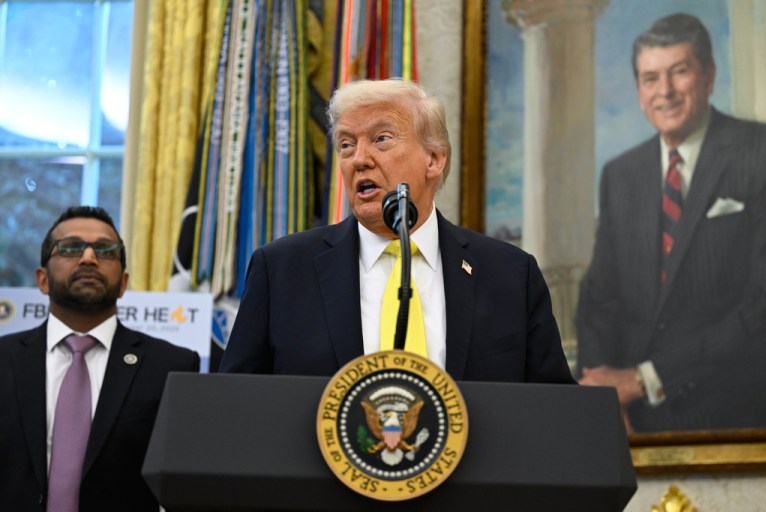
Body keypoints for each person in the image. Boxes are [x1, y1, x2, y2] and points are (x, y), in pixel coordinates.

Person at [219, 78, 574, 385]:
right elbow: (235, 405)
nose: (359, 159)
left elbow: (553, 413)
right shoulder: (282, 270)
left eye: (381, 139)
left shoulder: (510, 275)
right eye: (346, 144)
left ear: (433, 159)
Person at [577, 13, 766, 433]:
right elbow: (599, 296)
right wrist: (599, 390)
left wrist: (645, 379)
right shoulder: (620, 174)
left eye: (679, 72)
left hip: (734, 412)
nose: (664, 92)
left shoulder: (760, 152)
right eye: (650, 78)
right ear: (639, 90)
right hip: (630, 417)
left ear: (709, 76)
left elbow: (760, 306)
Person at [0, 206, 200, 511]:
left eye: (106, 251)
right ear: (42, 280)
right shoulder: (4, 359)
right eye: (70, 248)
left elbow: (183, 484)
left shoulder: (171, 366)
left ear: (122, 283)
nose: (89, 258)